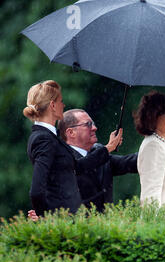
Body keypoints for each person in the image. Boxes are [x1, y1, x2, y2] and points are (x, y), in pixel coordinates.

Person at [24, 80, 122, 220]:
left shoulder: (51, 137)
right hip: (64, 224)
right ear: (52, 105)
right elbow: (36, 191)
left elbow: (77, 166)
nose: (63, 105)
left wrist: (108, 148)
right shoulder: (43, 139)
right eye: (61, 101)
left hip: (72, 221)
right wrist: (46, 218)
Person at [58, 109, 138, 212]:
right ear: (71, 132)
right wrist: (108, 148)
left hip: (107, 225)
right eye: (88, 124)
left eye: (93, 124)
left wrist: (160, 144)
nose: (95, 128)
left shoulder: (99, 153)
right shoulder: (61, 160)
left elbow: (130, 163)